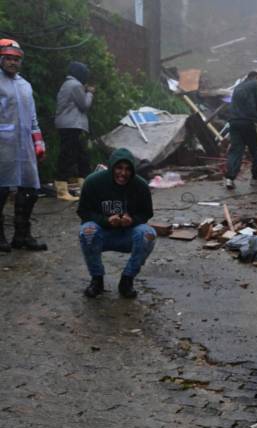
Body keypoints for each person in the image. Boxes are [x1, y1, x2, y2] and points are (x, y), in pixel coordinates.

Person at [77, 148, 156, 299]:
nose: (123, 173)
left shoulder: (141, 186)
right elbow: (84, 212)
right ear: (112, 167)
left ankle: (127, 280)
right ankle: (97, 280)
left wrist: (132, 220)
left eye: (127, 169)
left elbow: (146, 213)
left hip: (127, 234)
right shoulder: (93, 182)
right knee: (87, 231)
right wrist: (105, 221)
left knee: (148, 234)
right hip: (102, 233)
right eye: (119, 168)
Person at [0, 38, 48, 253]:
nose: (12, 63)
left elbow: (33, 119)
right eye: (8, 58)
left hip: (24, 146)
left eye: (16, 59)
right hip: (2, 146)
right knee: (0, 190)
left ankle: (22, 234)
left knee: (30, 189)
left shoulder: (25, 86)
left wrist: (39, 143)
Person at [53, 61, 94, 201]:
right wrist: (89, 93)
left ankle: (86, 189)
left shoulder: (69, 84)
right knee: (68, 156)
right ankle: (62, 191)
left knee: (81, 156)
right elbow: (84, 105)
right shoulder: (75, 85)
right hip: (71, 125)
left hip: (70, 125)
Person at [224, 71, 257, 191]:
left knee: (236, 150)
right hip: (249, 122)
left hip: (234, 122)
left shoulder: (238, 87)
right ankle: (256, 178)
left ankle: (230, 179)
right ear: (256, 78)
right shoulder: (254, 84)